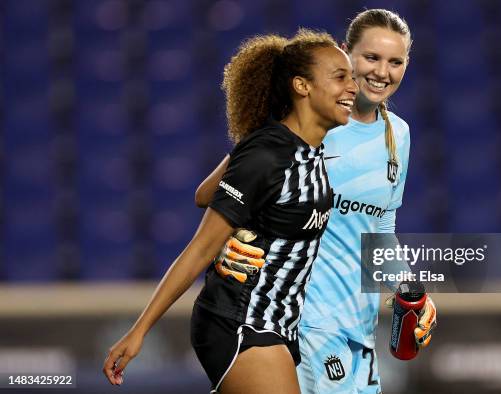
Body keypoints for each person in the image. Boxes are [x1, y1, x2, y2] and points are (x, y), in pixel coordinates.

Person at [103, 29, 358, 394]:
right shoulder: (268, 155)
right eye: (340, 77)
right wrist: (139, 330)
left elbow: (204, 193)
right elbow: (201, 249)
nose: (352, 86)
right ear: (302, 86)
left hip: (279, 324)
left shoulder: (301, 150)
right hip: (241, 320)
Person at [196, 9, 437, 394]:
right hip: (305, 322)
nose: (382, 72)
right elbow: (212, 192)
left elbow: (381, 231)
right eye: (370, 58)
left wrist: (408, 288)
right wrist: (235, 238)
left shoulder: (399, 136)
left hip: (359, 326)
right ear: (345, 54)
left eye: (396, 61)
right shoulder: (311, 121)